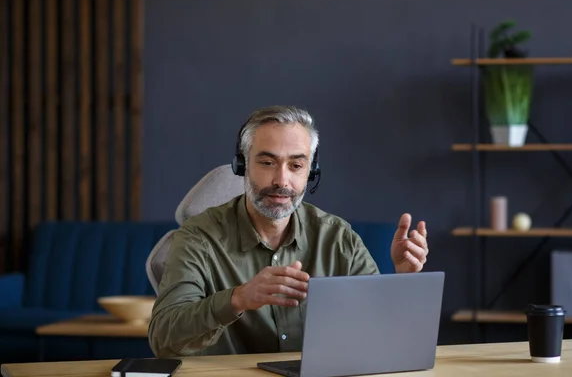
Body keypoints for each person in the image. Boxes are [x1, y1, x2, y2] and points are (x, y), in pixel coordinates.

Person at [148, 105, 429, 358]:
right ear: (242, 166)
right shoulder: (198, 238)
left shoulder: (338, 237)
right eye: (267, 163)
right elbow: (163, 338)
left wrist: (402, 284)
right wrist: (238, 298)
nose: (282, 180)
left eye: (296, 165)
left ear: (311, 171)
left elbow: (379, 337)